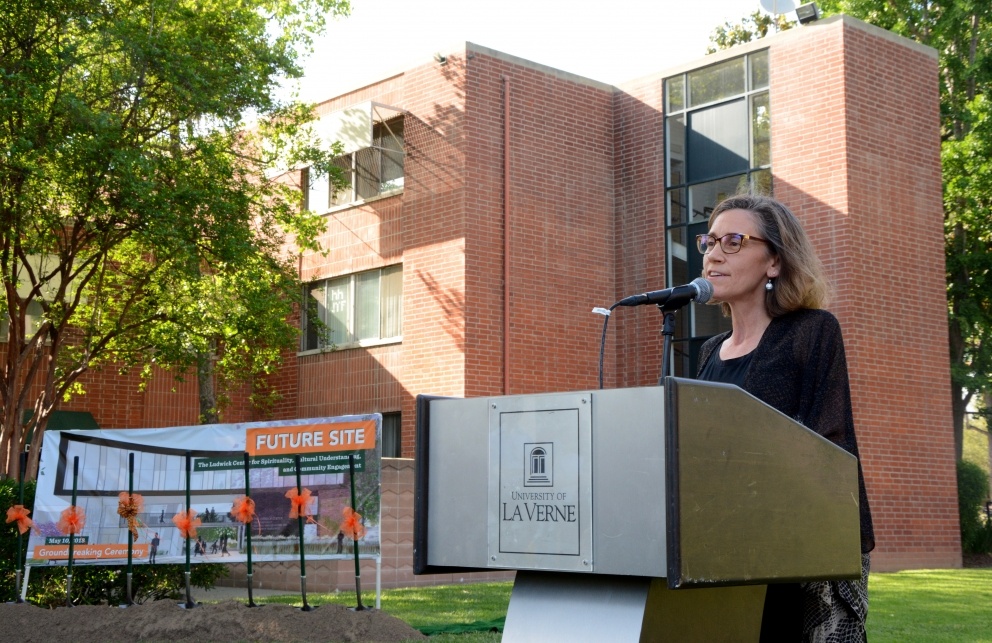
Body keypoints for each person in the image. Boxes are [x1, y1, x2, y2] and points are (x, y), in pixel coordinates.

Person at [694, 193, 874, 642]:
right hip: (714, 547)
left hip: (790, 551)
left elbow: (826, 441)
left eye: (734, 241)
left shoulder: (811, 331)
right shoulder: (706, 352)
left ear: (774, 261)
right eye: (711, 241)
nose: (714, 254)